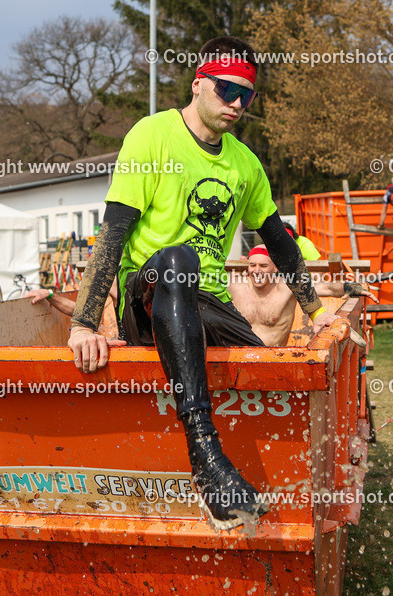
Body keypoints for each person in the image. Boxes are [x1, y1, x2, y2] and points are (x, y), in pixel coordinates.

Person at [67, 36, 336, 530]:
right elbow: (114, 233)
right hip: (149, 298)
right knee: (178, 260)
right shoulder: (151, 137)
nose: (236, 103)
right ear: (197, 84)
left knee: (263, 369)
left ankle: (284, 507)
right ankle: (206, 461)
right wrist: (84, 323)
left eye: (246, 95)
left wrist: (319, 314)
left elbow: (281, 244)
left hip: (205, 307)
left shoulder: (245, 164)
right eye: (226, 89)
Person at [228, 245, 377, 346]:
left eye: (263, 266)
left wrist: (348, 287)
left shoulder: (287, 287)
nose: (257, 270)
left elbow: (326, 288)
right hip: (239, 358)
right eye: (252, 265)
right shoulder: (235, 287)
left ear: (275, 268)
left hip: (274, 360)